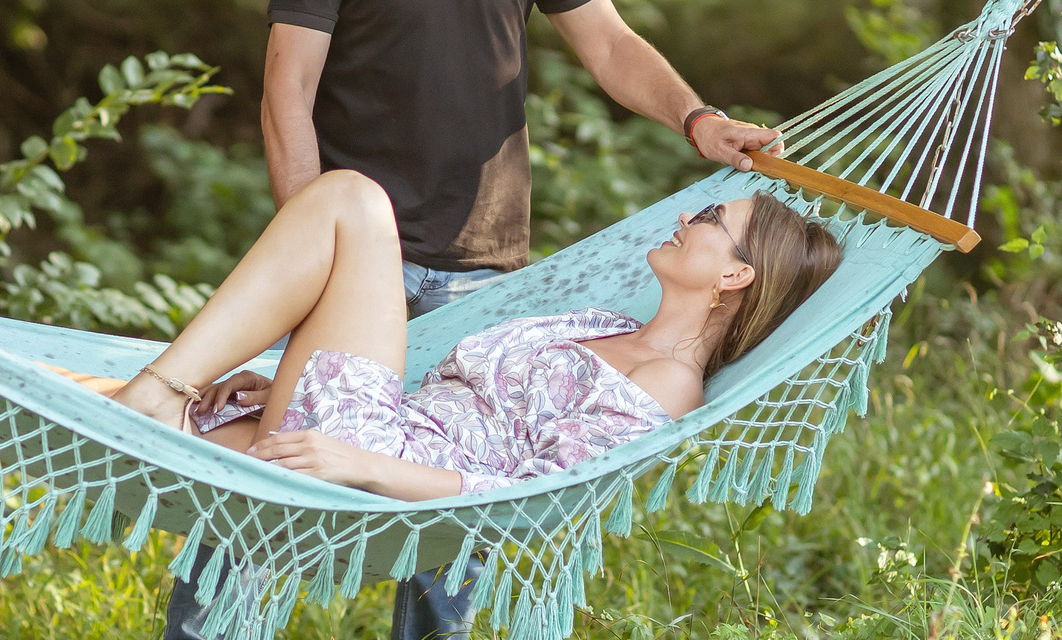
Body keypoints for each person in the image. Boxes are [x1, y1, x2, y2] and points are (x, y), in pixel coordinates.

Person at [106, 0, 781, 640]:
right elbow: (286, 89)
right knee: (288, 442)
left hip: (484, 259)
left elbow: (605, 45)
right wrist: (308, 261)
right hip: (360, 256)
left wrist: (697, 119)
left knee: (464, 457)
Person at [99, 178, 841, 500]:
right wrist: (292, 377)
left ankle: (163, 393)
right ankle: (160, 397)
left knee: (353, 201)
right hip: (377, 425)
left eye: (710, 217)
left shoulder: (667, 385)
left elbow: (538, 494)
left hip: (377, 460)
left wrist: (361, 463)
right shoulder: (606, 327)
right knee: (84, 410)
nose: (687, 218)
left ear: (738, 275)